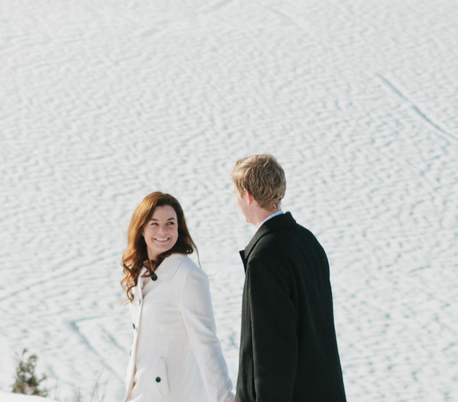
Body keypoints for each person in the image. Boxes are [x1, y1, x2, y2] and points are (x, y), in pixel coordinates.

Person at [231, 155, 344, 402]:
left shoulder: (265, 257)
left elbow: (271, 350)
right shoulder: (308, 241)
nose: (237, 202)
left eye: (236, 194)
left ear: (247, 195)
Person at [120, 190, 234, 402]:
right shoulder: (143, 274)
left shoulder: (188, 276)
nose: (163, 231)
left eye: (170, 223)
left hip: (172, 395)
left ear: (179, 228)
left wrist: (225, 396)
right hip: (140, 392)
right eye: (154, 223)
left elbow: (206, 341)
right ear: (142, 229)